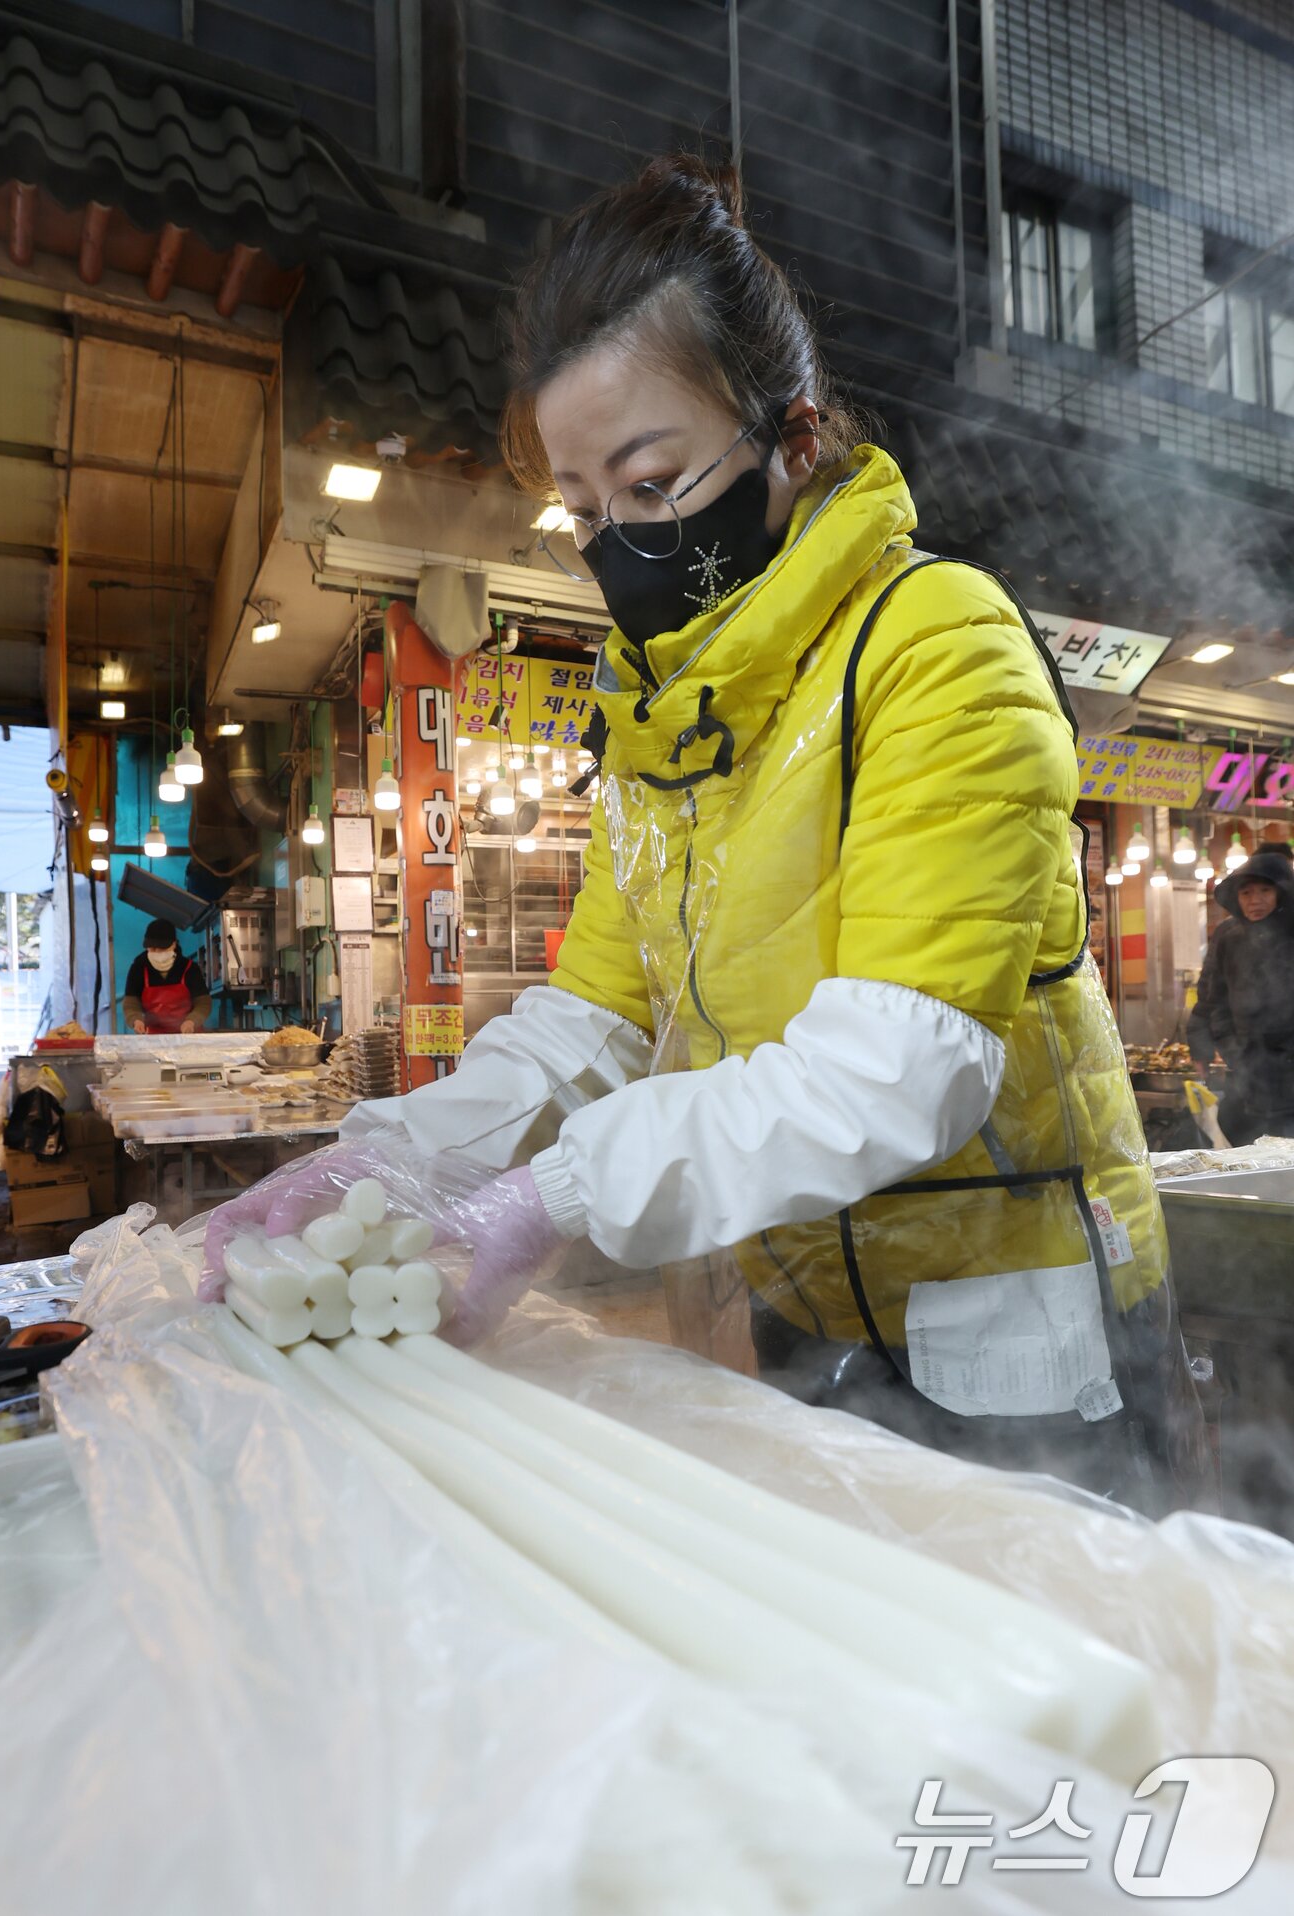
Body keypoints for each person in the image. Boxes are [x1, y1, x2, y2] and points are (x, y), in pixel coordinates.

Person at [206, 156, 1209, 1512]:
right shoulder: (674, 721)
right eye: (583, 508)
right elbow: (596, 1016)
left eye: (655, 481)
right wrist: (398, 1149)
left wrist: (560, 1195)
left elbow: (897, 1074)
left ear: (794, 441)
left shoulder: (938, 650)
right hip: (810, 1309)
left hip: (1016, 1335)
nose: (619, 540)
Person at [1188, 850, 1294, 1144]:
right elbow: (1210, 998)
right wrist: (1205, 1047)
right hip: (1248, 1066)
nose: (1254, 900)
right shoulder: (1228, 934)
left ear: (1282, 892)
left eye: (1264, 890)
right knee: (1245, 1143)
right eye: (1246, 892)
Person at [122, 920, 211, 1034]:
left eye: (162, 948)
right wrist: (136, 1020)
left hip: (188, 1036)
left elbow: (203, 1002)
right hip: (155, 1038)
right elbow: (131, 1003)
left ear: (173, 944)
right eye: (152, 949)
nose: (157, 952)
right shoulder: (138, 969)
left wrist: (192, 1021)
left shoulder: (189, 968)